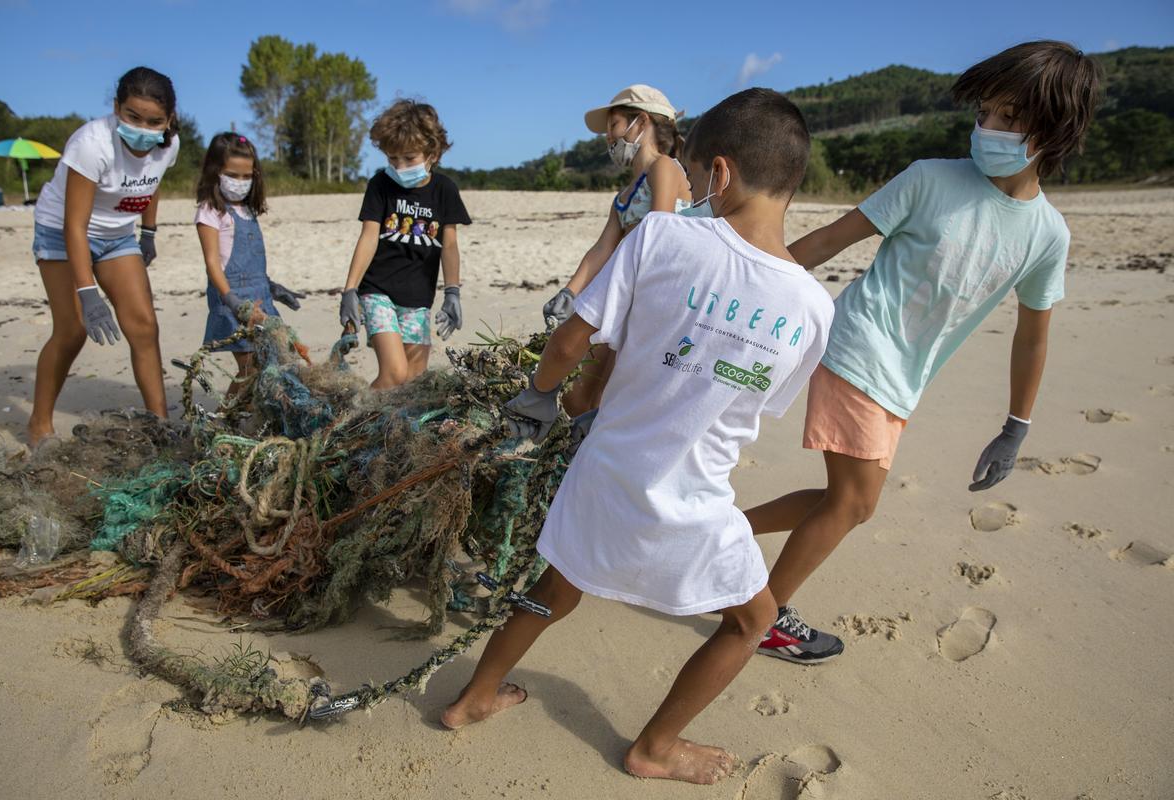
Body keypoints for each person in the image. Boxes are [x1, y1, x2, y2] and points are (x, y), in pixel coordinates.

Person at [442, 89, 834, 786]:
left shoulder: (662, 237)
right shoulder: (811, 307)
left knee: (556, 586)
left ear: (717, 173)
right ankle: (655, 745)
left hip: (605, 469)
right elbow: (749, 403)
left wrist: (539, 397)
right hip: (691, 500)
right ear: (793, 180)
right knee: (752, 621)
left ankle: (474, 696)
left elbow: (573, 341)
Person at [743, 41, 1103, 665]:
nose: (987, 130)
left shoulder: (1048, 234)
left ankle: (716, 536)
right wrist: (743, 277)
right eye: (984, 113)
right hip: (859, 344)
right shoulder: (930, 178)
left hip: (905, 376)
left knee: (845, 502)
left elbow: (1032, 333)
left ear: (1055, 129)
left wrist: (1016, 426)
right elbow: (830, 239)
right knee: (853, 503)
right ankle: (761, 618)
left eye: (1008, 119)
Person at [29, 66, 181, 447]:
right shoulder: (91, 143)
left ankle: (159, 424)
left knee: (144, 325)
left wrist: (148, 231)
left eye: (154, 121)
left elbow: (151, 182)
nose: (143, 128)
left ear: (169, 120)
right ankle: (39, 425)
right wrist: (87, 292)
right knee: (73, 329)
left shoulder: (168, 144)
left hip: (117, 235)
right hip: (62, 232)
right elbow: (74, 225)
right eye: (132, 116)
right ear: (116, 108)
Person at [542, 84, 691, 416]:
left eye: (613, 126)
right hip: (624, 294)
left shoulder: (664, 168)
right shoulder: (624, 194)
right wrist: (570, 291)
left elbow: (658, 232)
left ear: (640, 122)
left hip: (656, 297)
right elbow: (602, 248)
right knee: (579, 395)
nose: (607, 137)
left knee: (613, 396)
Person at [338, 100, 470, 389]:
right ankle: (350, 426)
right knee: (394, 374)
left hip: (418, 300)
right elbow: (369, 237)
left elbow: (449, 246)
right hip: (377, 293)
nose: (400, 167)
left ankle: (384, 433)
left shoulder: (445, 190)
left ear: (432, 154)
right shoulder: (380, 185)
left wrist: (452, 293)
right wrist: (350, 289)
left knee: (413, 382)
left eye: (409, 158)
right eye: (392, 159)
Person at [194, 132, 303, 399]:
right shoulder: (210, 211)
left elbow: (252, 261)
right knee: (250, 367)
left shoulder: (249, 211)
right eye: (233, 175)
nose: (240, 182)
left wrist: (272, 288)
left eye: (246, 176)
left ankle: (250, 417)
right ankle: (224, 420)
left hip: (261, 299)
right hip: (232, 301)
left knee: (276, 360)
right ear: (215, 171)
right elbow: (212, 263)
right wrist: (231, 300)